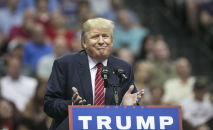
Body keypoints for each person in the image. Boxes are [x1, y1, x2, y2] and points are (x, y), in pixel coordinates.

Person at [44, 18, 144, 129]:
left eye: (105, 36)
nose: (101, 41)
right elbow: (49, 105)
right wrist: (72, 106)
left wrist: (126, 108)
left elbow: (132, 107)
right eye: (95, 36)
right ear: (84, 42)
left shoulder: (124, 68)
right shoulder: (65, 64)